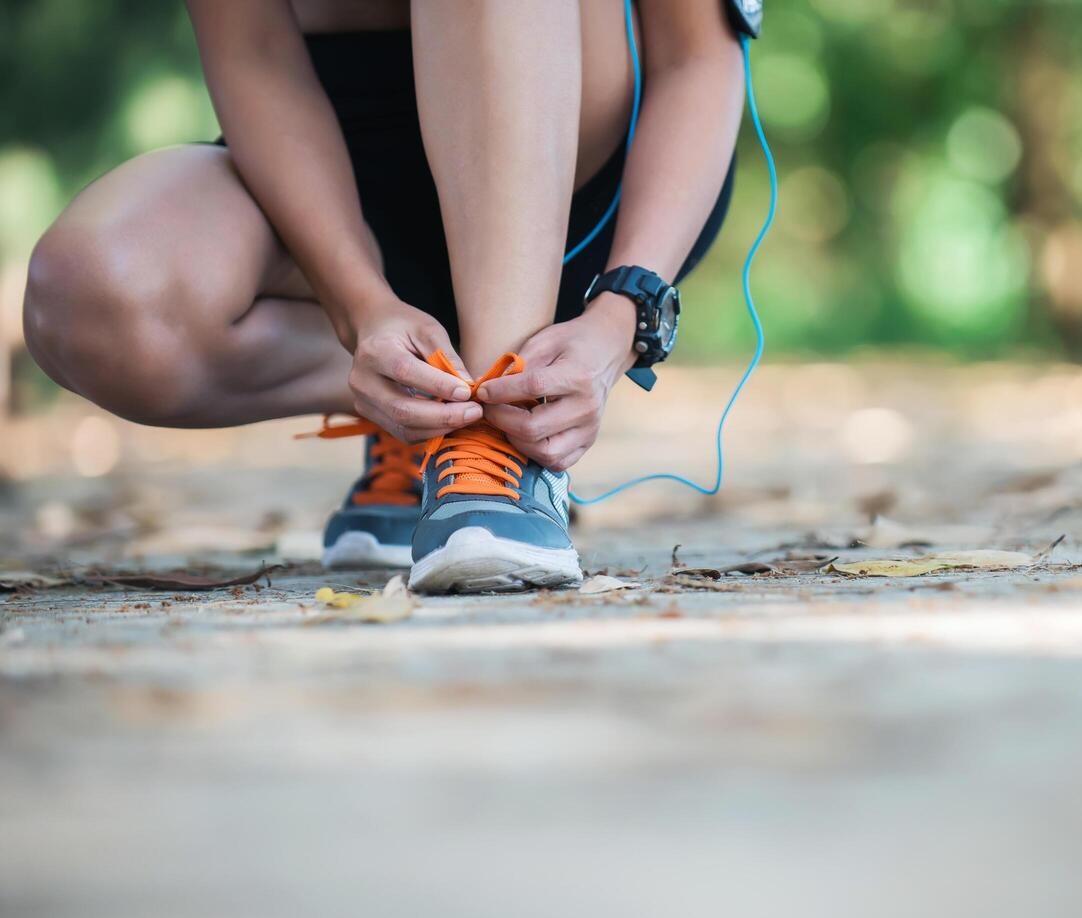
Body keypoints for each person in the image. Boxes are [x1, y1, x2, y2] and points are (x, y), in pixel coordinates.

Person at [21, 0, 745, 593]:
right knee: (92, 296)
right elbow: (253, 56)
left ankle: (496, 436)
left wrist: (625, 308)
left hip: (583, 181)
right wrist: (360, 304)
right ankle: (423, 401)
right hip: (332, 175)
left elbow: (698, 57)